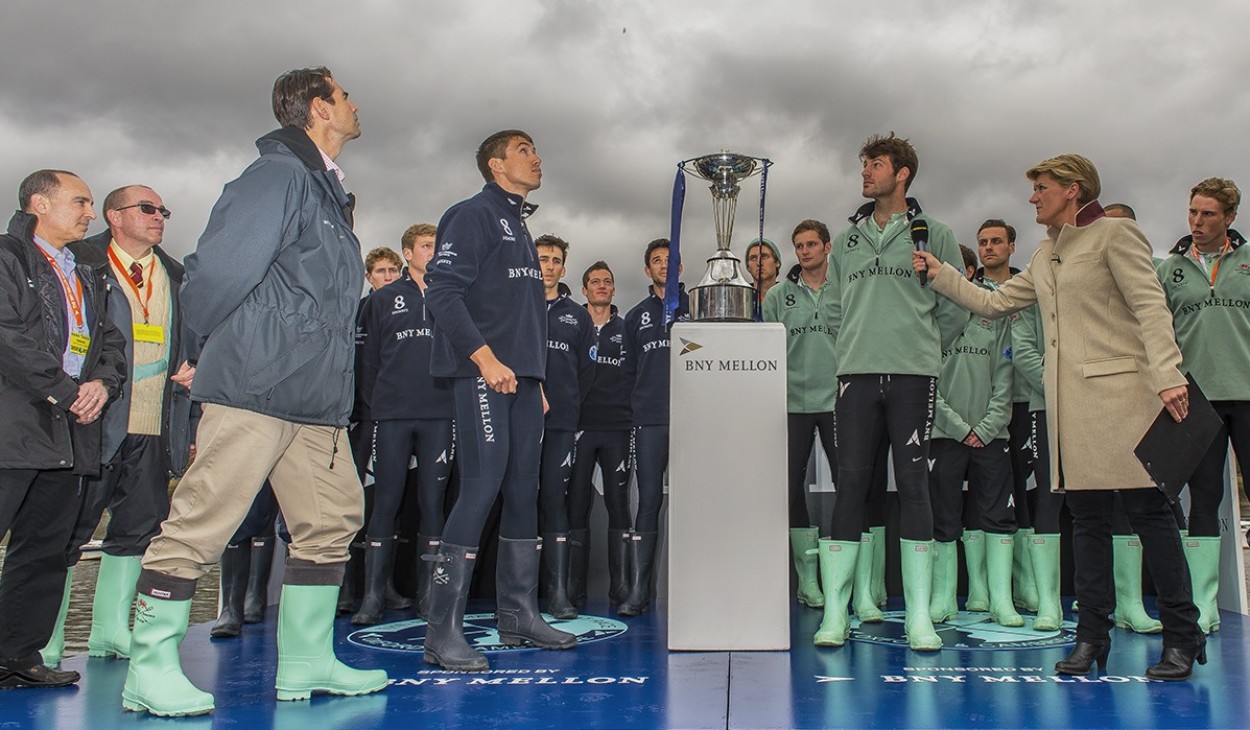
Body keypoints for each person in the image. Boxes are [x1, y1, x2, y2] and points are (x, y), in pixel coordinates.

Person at [123, 67, 388, 716]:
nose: (355, 103)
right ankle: (148, 668)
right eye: (344, 94)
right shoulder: (278, 177)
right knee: (202, 522)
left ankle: (306, 663)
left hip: (317, 402)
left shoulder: (328, 193)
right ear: (319, 109)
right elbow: (217, 268)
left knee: (331, 522)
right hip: (257, 387)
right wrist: (195, 354)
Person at [915, 153, 1205, 681]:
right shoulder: (1047, 255)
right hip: (1070, 409)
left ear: (1073, 190)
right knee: (1088, 522)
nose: (1033, 198)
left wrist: (1168, 372)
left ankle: (1183, 636)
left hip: (1125, 400)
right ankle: (1092, 639)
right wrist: (942, 274)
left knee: (1151, 517)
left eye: (1041, 188)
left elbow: (1150, 305)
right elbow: (994, 302)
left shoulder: (1115, 234)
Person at [422, 129, 577, 672]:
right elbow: (442, 291)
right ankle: (442, 631)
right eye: (523, 150)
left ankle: (518, 615)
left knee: (522, 491)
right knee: (481, 487)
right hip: (484, 376)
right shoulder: (472, 214)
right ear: (495, 164)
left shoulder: (517, 222)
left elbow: (522, 316)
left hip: (524, 383)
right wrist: (485, 360)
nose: (537, 157)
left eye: (537, 148)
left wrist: (536, 382)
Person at [818, 133, 966, 652]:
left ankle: (919, 617)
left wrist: (921, 349)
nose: (865, 172)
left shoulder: (937, 234)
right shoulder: (848, 239)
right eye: (864, 164)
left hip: (912, 377)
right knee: (851, 487)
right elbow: (835, 309)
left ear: (901, 173)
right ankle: (836, 612)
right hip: (856, 377)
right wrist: (856, 349)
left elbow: (953, 306)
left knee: (914, 489)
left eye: (875, 164)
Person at [40, 186, 194, 666]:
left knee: (137, 530)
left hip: (154, 423)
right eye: (147, 209)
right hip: (91, 422)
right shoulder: (82, 261)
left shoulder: (175, 274)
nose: (159, 217)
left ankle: (109, 630)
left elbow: (191, 337)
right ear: (114, 215)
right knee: (67, 531)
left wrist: (195, 365)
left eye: (163, 211)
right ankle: (44, 641)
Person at [0, 170, 125, 689]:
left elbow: (112, 344)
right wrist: (67, 390)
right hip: (14, 425)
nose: (89, 213)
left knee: (44, 548)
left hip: (68, 434)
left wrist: (102, 384)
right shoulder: (8, 257)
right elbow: (7, 336)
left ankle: (15, 656)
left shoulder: (88, 270)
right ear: (39, 204)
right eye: (80, 202)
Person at [351, 224, 454, 625]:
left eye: (438, 246)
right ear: (407, 253)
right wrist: (374, 407)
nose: (434, 252)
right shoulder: (384, 299)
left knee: (432, 504)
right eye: (427, 246)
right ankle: (373, 596)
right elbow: (369, 360)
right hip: (391, 416)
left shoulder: (452, 297)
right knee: (386, 502)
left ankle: (429, 598)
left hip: (440, 416)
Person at [1160, 177, 1249, 635]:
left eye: (1208, 214)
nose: (1196, 221)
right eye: (1193, 212)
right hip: (1197, 398)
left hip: (1247, 394)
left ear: (1229, 217)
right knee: (1205, 498)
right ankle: (1205, 605)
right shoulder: (1170, 268)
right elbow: (1157, 332)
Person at [927, 243, 1021, 628]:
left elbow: (1005, 376)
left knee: (997, 517)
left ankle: (1000, 601)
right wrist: (958, 427)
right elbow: (928, 384)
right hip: (944, 436)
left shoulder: (993, 316)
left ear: (969, 272)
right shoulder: (930, 318)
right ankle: (944, 600)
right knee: (943, 519)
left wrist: (985, 427)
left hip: (991, 436)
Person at [762, 219, 838, 614]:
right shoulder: (777, 295)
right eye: (799, 246)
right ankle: (809, 582)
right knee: (789, 492)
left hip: (837, 402)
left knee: (851, 488)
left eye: (812, 244)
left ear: (827, 247)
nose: (805, 251)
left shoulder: (845, 289)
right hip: (790, 404)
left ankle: (851, 585)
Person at [621, 238, 690, 616]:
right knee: (648, 503)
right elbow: (629, 373)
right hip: (650, 420)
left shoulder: (697, 308)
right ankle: (639, 591)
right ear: (647, 270)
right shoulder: (635, 317)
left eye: (670, 259)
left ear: (680, 268)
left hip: (694, 420)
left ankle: (699, 588)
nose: (664, 264)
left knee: (697, 503)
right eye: (657, 260)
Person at [531, 235, 595, 619]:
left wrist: (565, 401)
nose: (549, 265)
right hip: (518, 420)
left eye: (556, 260)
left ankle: (557, 594)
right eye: (542, 259)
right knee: (518, 500)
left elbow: (585, 373)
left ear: (564, 268)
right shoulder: (516, 305)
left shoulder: (578, 316)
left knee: (555, 501)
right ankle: (517, 595)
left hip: (561, 422)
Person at [567, 261, 632, 608]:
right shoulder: (572, 325)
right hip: (579, 429)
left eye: (607, 281)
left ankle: (621, 591)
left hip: (618, 428)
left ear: (613, 289)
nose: (602, 286)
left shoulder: (626, 328)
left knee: (619, 507)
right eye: (595, 282)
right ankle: (573, 593)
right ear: (585, 290)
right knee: (576, 507)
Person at [745, 236, 783, 306]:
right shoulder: (741, 299)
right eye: (753, 258)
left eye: (764, 256)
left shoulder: (790, 296)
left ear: (777, 262)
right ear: (748, 267)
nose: (758, 263)